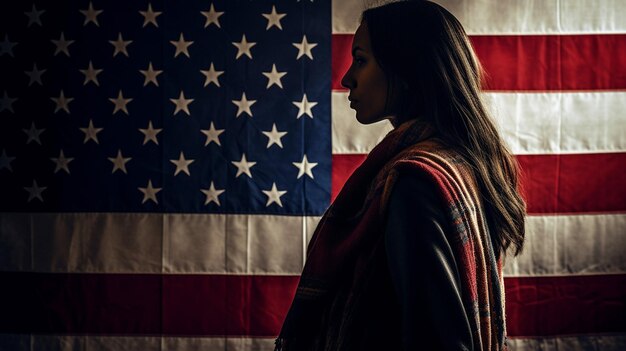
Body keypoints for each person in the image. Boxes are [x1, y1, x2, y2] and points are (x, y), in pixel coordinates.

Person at [275, 1, 526, 350]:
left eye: (361, 60)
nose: (347, 78)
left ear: (406, 71)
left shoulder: (415, 183)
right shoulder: (461, 163)